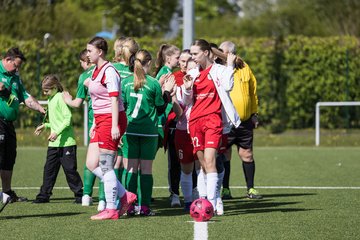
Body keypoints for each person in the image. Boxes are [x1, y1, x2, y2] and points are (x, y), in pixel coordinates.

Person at [182, 39, 238, 212]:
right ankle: (212, 197)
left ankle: (213, 202)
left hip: (213, 120)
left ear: (206, 53)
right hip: (195, 122)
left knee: (210, 160)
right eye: (191, 53)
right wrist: (187, 88)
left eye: (195, 53)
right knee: (203, 165)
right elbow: (186, 101)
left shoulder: (219, 70)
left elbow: (228, 86)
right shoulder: (192, 72)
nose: (193, 57)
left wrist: (230, 66)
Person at [85, 36, 137, 220]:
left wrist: (114, 125)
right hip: (100, 120)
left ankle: (111, 209)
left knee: (106, 165)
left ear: (100, 52)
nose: (87, 54)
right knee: (91, 163)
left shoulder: (110, 71)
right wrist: (94, 124)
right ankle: (125, 195)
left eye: (90, 50)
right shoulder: (94, 71)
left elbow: (114, 99)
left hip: (111, 119)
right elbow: (97, 100)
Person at [122, 49, 175, 216]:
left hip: (130, 131)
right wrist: (167, 91)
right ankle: (144, 207)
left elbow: (122, 107)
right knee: (146, 170)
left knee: (130, 169)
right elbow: (160, 109)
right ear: (149, 63)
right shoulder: (153, 83)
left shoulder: (125, 82)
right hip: (149, 132)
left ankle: (129, 206)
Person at [0, 47, 45, 205]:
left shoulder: (15, 77)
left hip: (9, 123)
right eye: (16, 65)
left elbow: (25, 96)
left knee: (9, 158)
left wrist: (40, 108)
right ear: (7, 60)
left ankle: (7, 193)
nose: (17, 69)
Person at [219, 40, 262, 199]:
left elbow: (253, 92)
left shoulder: (245, 68)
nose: (219, 55)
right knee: (225, 155)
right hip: (226, 122)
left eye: (221, 52)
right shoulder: (220, 70)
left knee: (247, 155)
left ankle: (250, 189)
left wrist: (254, 113)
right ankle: (225, 189)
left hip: (244, 122)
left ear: (230, 54)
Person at [33, 74, 83, 203]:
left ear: (54, 87)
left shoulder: (61, 97)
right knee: (49, 170)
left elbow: (68, 119)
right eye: (43, 90)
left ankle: (80, 195)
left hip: (67, 143)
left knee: (70, 171)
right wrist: (45, 125)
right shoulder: (51, 99)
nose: (44, 93)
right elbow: (56, 122)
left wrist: (57, 133)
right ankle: (43, 196)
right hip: (54, 145)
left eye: (47, 90)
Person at [63, 49, 103, 207]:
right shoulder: (108, 68)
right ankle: (104, 199)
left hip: (96, 121)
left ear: (86, 61)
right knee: (108, 161)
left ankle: (87, 195)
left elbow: (77, 103)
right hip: (109, 119)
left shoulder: (85, 76)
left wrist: (67, 99)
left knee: (92, 159)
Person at [154, 44, 182, 207]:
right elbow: (159, 94)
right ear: (168, 58)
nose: (179, 61)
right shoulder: (165, 73)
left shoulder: (167, 72)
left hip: (167, 121)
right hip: (164, 122)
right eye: (177, 57)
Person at [172, 56, 200, 212]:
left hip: (201, 130)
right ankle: (188, 202)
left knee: (203, 167)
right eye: (190, 69)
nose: (192, 72)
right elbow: (179, 113)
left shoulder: (205, 86)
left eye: (195, 68)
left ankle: (205, 199)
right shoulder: (181, 87)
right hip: (184, 132)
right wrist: (174, 96)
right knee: (186, 169)